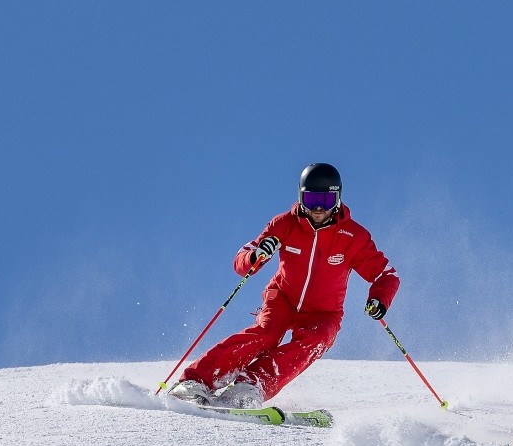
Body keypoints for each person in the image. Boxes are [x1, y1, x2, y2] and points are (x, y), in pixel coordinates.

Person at [169, 163, 400, 408]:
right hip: (282, 299)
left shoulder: (353, 236)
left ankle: (250, 386)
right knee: (267, 334)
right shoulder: (284, 224)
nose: (319, 208)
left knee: (318, 338)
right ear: (301, 197)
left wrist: (379, 299)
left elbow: (386, 275)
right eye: (311, 200)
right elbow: (243, 257)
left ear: (338, 198)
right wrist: (255, 255)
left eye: (326, 199)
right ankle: (196, 381)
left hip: (324, 311)